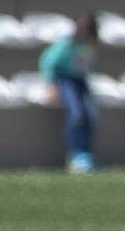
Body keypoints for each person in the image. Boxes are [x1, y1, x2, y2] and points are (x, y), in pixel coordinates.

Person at [39, 14, 101, 174]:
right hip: (64, 78)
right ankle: (75, 155)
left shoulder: (88, 45)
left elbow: (84, 66)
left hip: (79, 80)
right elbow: (48, 62)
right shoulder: (66, 43)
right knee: (76, 114)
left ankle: (86, 153)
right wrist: (50, 83)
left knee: (91, 115)